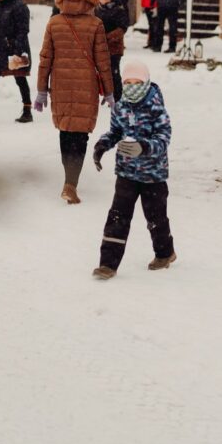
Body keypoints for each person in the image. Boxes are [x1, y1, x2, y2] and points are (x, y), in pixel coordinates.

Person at [92, 60, 175, 279]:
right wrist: (102, 145)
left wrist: (144, 146)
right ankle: (108, 264)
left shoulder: (157, 108)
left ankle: (165, 253)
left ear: (146, 83)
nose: (132, 86)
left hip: (153, 174)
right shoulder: (120, 106)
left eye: (137, 82)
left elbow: (164, 138)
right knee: (117, 217)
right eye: (128, 82)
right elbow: (115, 132)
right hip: (126, 173)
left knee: (156, 218)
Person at [35, 0, 114, 204]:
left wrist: (42, 90)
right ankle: (71, 183)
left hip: (59, 84)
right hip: (85, 86)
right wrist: (108, 92)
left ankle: (68, 180)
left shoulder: (54, 22)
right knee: (80, 134)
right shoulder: (96, 24)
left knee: (66, 131)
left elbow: (45, 59)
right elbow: (103, 61)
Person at [95, 0, 129, 101]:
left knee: (113, 72)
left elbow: (122, 28)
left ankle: (117, 96)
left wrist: (107, 37)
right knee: (101, 72)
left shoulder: (118, 10)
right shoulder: (97, 10)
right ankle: (106, 92)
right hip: (99, 46)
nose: (101, 0)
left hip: (114, 48)